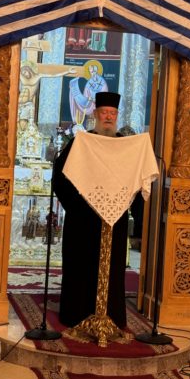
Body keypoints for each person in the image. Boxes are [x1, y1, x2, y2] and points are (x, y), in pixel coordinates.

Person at [53, 91, 129, 328]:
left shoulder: (125, 146)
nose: (108, 117)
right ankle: (76, 313)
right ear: (95, 115)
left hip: (114, 219)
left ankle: (111, 316)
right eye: (104, 112)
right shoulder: (81, 142)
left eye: (112, 113)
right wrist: (78, 207)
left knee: (112, 268)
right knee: (81, 266)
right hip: (83, 219)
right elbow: (60, 177)